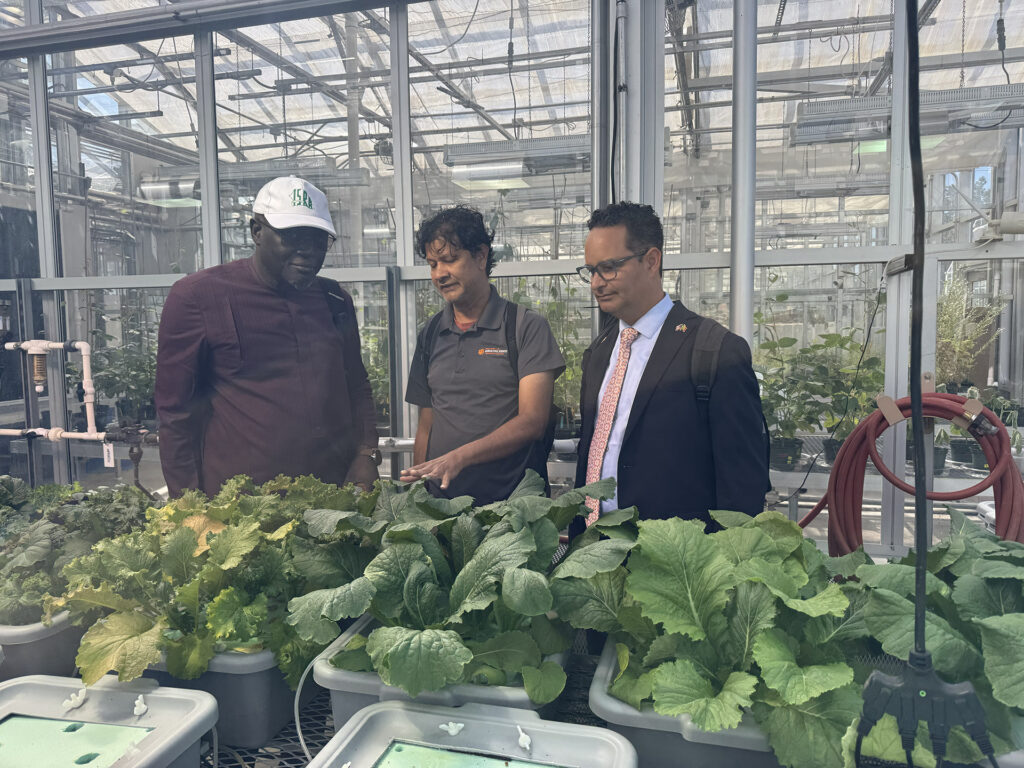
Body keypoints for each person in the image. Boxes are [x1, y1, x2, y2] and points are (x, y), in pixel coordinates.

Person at [155, 176, 380, 498]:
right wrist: (189, 506)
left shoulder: (334, 301)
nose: (308, 251)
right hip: (241, 506)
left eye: (319, 240)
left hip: (330, 499)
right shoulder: (198, 298)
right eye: (293, 236)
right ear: (257, 231)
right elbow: (175, 414)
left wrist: (366, 453)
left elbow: (356, 385)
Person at [573, 201, 768, 531]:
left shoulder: (715, 352)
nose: (596, 283)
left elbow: (742, 485)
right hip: (596, 546)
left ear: (651, 261)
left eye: (608, 268)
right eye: (590, 271)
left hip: (675, 554)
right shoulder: (600, 352)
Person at [400, 206, 565, 504]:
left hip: (511, 510)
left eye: (450, 260)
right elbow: (426, 423)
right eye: (433, 264)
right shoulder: (432, 333)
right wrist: (418, 493)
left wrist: (458, 458)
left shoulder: (524, 327)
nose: (440, 274)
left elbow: (533, 421)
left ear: (480, 256)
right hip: (444, 510)